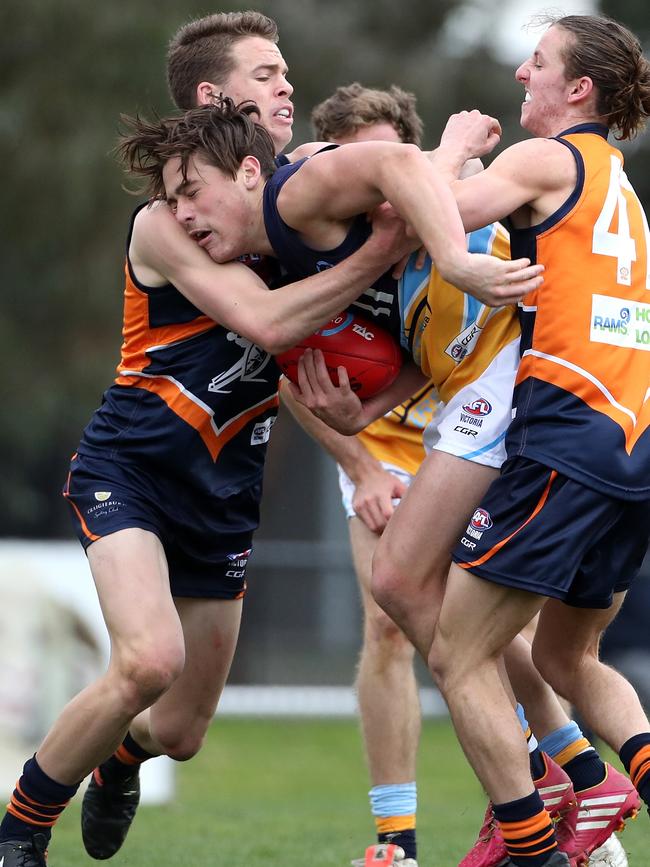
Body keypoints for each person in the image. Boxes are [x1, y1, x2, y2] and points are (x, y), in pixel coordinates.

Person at [121, 93, 641, 866]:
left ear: (252, 164)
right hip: (478, 388)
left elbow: (401, 178)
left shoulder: (300, 189)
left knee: (452, 633)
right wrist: (358, 422)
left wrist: (453, 204)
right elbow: (405, 352)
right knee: (423, 604)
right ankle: (560, 781)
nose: (184, 213)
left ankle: (542, 799)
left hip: (515, 370)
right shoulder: (282, 249)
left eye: (192, 191)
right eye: (172, 200)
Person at [0, 13, 423, 867]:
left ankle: (120, 759)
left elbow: (392, 194)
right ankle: (20, 832)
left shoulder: (295, 195)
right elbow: (270, 322)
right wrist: (381, 249)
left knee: (181, 731)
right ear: (214, 95)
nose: (287, 87)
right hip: (134, 470)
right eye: (268, 74)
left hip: (226, 493)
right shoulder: (170, 220)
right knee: (148, 661)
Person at [365, 14, 650, 867]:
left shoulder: (548, 157)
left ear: (580, 90)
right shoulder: (619, 186)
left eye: (540, 61)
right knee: (570, 653)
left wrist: (445, 149)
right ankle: (597, 784)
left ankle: (533, 848)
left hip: (565, 435)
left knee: (458, 649)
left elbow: (424, 215)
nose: (523, 72)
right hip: (632, 443)